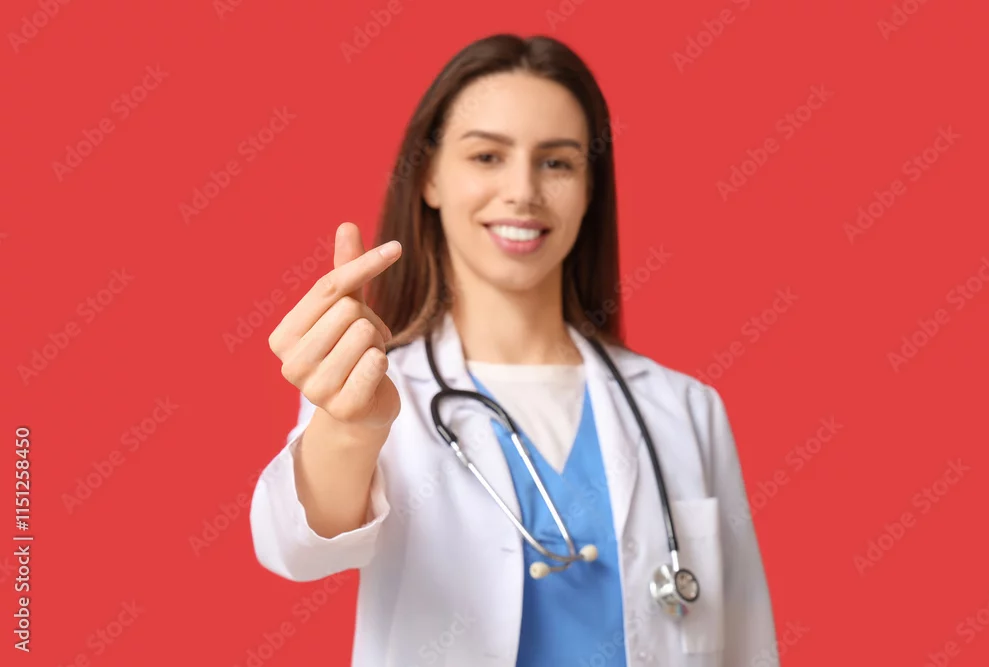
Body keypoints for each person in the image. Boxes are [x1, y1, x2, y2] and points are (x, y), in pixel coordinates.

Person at [251, 33, 778, 667]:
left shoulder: (686, 409)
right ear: (430, 177)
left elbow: (748, 645)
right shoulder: (373, 390)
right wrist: (349, 429)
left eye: (557, 163)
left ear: (590, 188)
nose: (523, 191)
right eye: (487, 157)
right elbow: (294, 547)